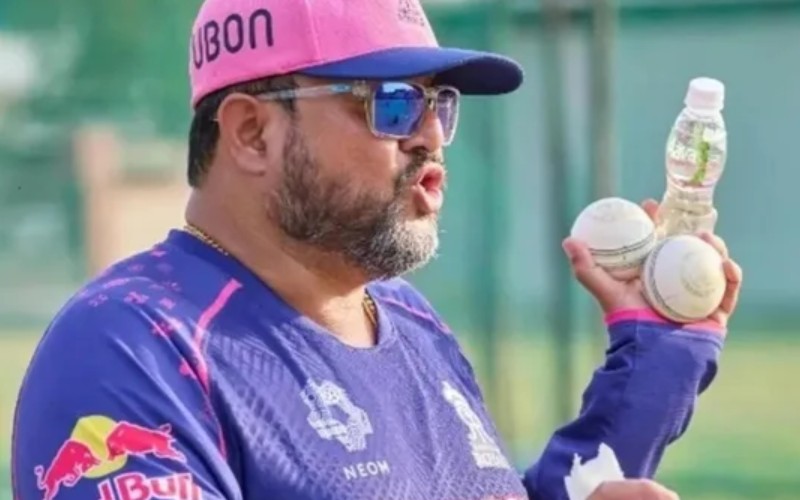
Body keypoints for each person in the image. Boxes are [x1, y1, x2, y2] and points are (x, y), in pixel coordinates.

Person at [11, 0, 742, 499]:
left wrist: (656, 359)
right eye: (391, 102)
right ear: (252, 134)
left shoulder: (411, 323)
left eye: (440, 104)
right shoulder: (130, 346)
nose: (431, 137)